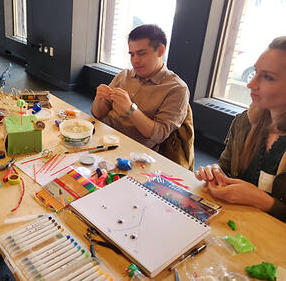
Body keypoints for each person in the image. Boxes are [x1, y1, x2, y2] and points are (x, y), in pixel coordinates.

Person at [194, 37, 286, 222]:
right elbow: (226, 168)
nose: (251, 84)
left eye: (267, 77)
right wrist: (216, 173)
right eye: (255, 72)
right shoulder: (245, 121)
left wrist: (263, 201)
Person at [91, 24, 194, 169]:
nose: (135, 60)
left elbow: (158, 135)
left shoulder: (176, 89)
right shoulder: (124, 75)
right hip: (102, 139)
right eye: (132, 54)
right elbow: (97, 114)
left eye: (142, 53)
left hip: (135, 155)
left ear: (160, 51)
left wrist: (131, 108)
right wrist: (99, 98)